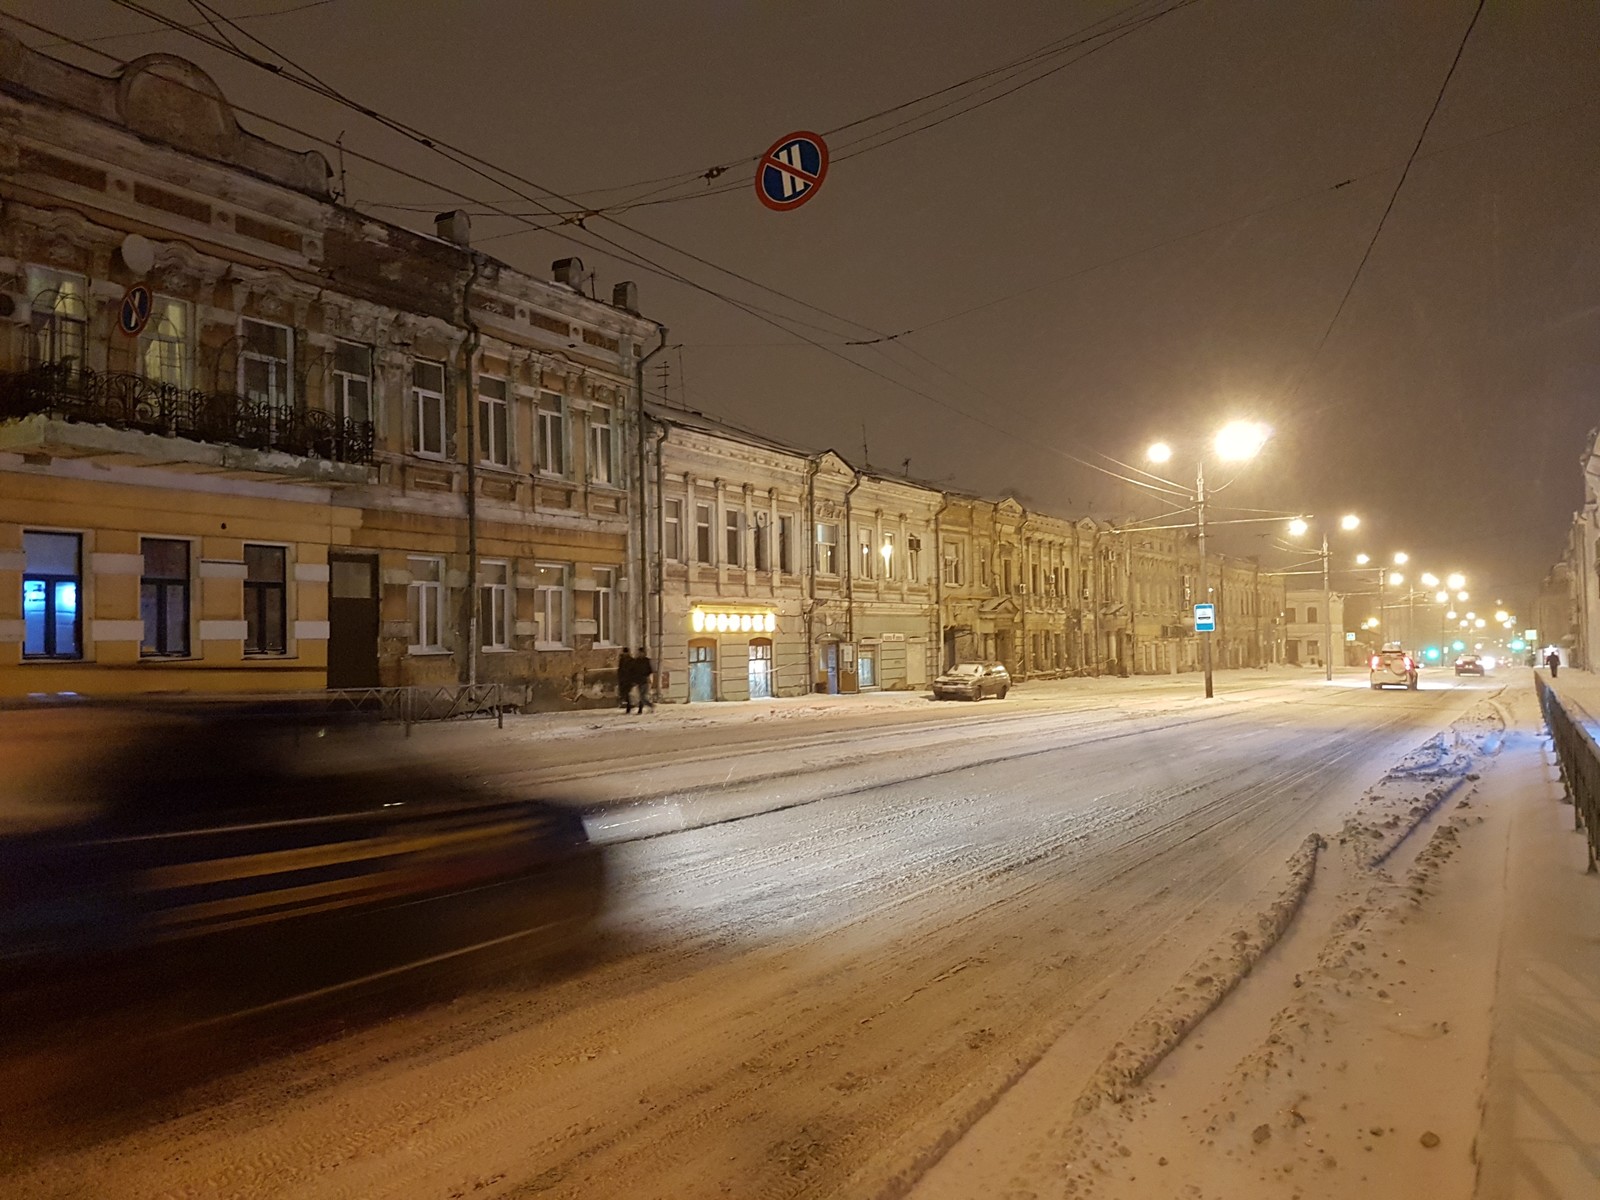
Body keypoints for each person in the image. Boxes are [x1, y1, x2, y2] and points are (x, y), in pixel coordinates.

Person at [617, 648, 637, 712]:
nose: (625, 654)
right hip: (623, 679)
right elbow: (620, 669)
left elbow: (633, 670)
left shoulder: (631, 660)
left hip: (629, 679)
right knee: (624, 693)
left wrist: (633, 679)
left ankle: (629, 705)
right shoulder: (622, 660)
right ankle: (628, 704)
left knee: (627, 692)